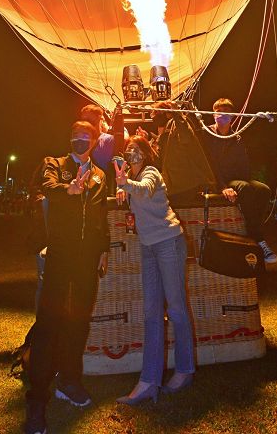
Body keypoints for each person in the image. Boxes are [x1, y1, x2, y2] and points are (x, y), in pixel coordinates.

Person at [23, 121, 110, 434]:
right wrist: (68, 188)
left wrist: (104, 248)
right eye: (74, 135)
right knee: (49, 323)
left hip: (87, 259)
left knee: (79, 320)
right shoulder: (54, 165)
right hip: (59, 255)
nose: (79, 139)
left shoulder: (100, 175)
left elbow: (101, 215)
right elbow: (46, 187)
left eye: (85, 136)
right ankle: (37, 401)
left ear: (94, 140)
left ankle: (69, 380)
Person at [114, 136, 195, 404]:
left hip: (169, 243)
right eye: (129, 150)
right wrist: (123, 187)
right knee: (151, 313)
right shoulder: (129, 177)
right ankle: (149, 380)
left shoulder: (152, 173)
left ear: (146, 154)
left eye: (137, 150)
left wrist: (126, 184)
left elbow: (146, 189)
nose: (132, 153)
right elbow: (135, 192)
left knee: (176, 308)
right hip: (148, 246)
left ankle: (185, 370)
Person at [203, 98, 277, 264]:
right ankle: (258, 237)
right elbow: (210, 164)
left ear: (232, 116)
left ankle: (252, 224)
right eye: (219, 113)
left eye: (226, 114)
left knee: (264, 189)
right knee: (244, 188)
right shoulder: (207, 134)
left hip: (237, 178)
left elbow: (243, 164)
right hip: (220, 180)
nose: (222, 117)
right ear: (213, 114)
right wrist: (222, 187)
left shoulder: (236, 137)